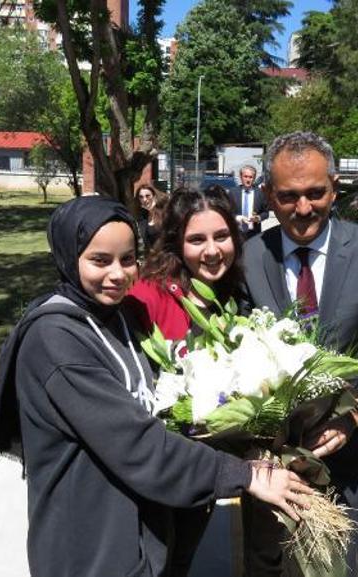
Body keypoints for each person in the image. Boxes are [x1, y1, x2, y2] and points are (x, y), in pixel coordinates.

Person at [0, 195, 312, 577]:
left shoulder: (118, 314)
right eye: (100, 260)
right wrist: (245, 475)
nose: (119, 274)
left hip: (139, 530)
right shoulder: (55, 339)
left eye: (127, 259)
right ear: (67, 256)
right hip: (90, 545)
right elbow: (136, 444)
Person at [241, 131, 358, 577]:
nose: (303, 208)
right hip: (266, 462)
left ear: (334, 187)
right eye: (288, 196)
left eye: (316, 193)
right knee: (266, 562)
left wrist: (354, 417)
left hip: (347, 455)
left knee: (332, 564)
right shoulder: (248, 259)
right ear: (268, 195)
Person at [124, 185, 244, 576]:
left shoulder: (232, 294)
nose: (212, 250)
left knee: (181, 559)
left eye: (221, 236)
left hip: (201, 466)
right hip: (155, 466)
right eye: (197, 239)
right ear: (177, 242)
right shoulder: (147, 294)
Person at [230, 164, 269, 239]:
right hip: (237, 234)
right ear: (241, 177)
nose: (248, 180)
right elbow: (228, 212)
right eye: (245, 176)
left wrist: (258, 218)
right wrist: (237, 218)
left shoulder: (260, 193)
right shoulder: (233, 193)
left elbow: (266, 213)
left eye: (250, 177)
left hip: (254, 234)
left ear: (254, 178)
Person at [136, 183, 167, 251]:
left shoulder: (164, 213)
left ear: (154, 196)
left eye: (148, 196)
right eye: (141, 197)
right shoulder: (142, 217)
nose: (144, 200)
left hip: (164, 256)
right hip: (151, 258)